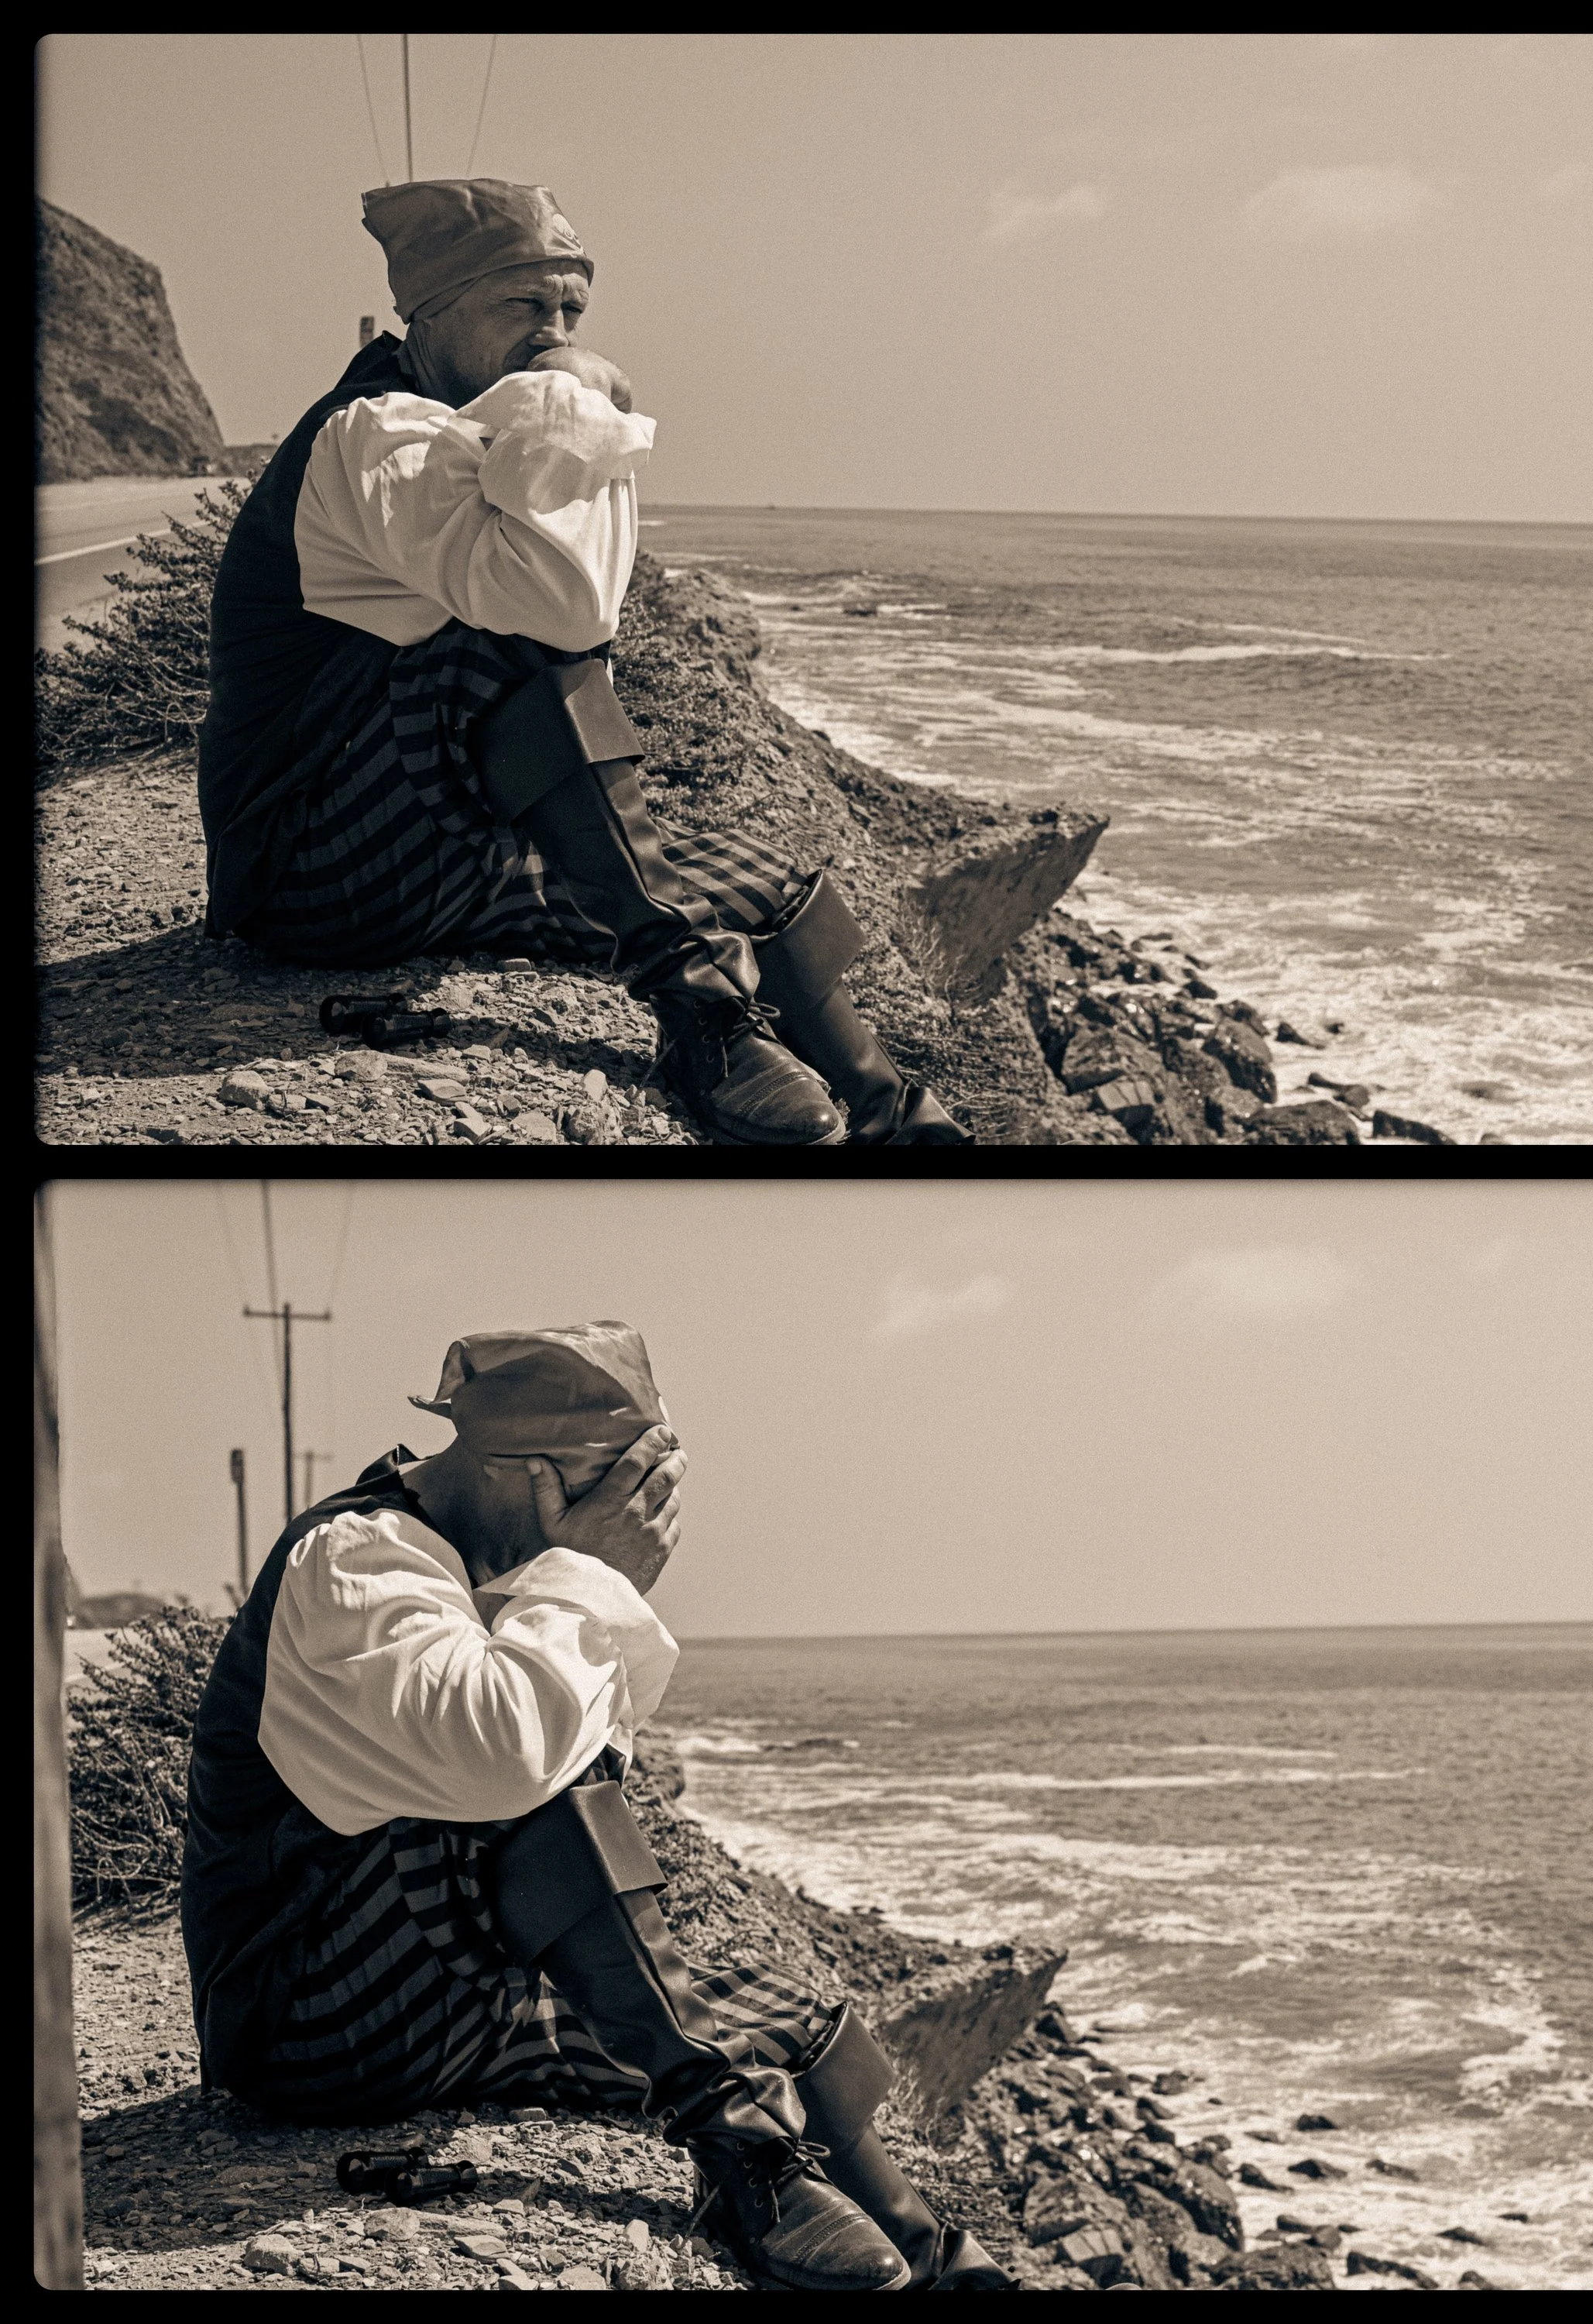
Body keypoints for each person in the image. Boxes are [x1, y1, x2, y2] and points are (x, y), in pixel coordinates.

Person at [180, 1322, 1004, 2291]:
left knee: (788, 2020)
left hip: (438, 1995)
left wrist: (572, 1584)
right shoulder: (359, 1559)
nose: (644, 1523)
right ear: (529, 1473)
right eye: (625, 1491)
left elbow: (599, 1758)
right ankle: (742, 2154)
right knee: (535, 1776)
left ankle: (930, 2259)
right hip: (305, 2015)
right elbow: (516, 1764)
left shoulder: (499, 1574)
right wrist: (590, 1575)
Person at [196, 178, 966, 1147]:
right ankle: (703, 1018)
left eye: (571, 311)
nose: (553, 335)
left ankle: (891, 1118)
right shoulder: (372, 434)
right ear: (424, 315)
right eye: (522, 305)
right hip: (310, 868)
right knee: (503, 635)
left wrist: (559, 397)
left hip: (441, 851)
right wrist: (578, 390)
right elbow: (562, 610)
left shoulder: (482, 420)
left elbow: (577, 587)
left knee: (762, 877)